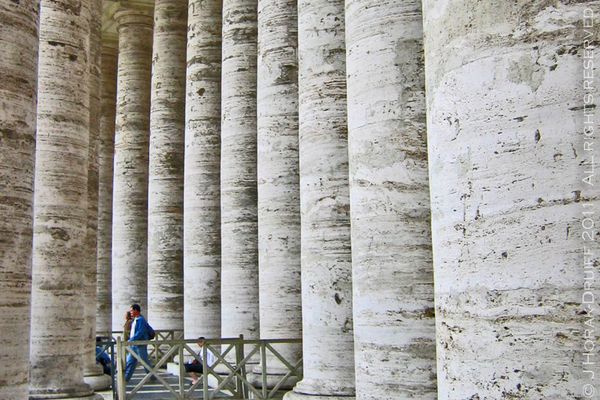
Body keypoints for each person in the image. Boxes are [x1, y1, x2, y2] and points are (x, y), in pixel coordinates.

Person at [124, 304, 154, 382]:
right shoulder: (135, 320)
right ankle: (125, 379)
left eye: (131, 310)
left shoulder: (141, 320)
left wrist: (131, 340)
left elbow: (140, 332)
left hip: (140, 344)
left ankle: (153, 376)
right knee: (130, 362)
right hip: (134, 345)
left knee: (145, 362)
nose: (130, 312)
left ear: (136, 310)